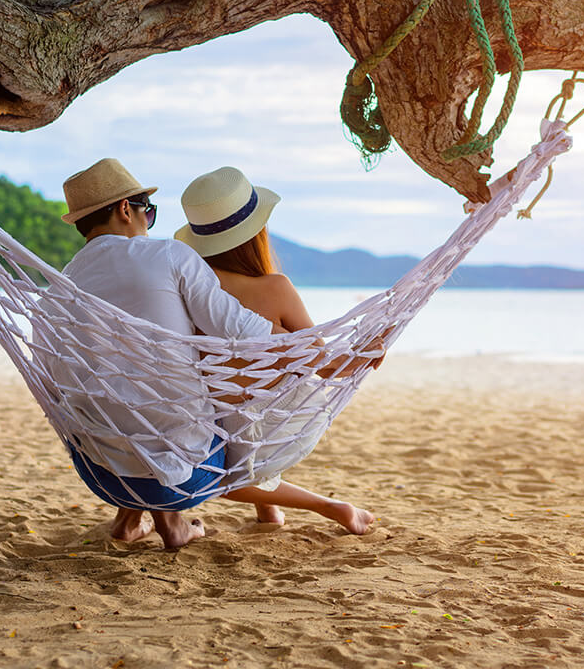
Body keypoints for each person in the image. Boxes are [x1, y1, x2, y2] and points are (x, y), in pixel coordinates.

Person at [57, 159, 371, 548]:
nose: (147, 223)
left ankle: (159, 524)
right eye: (148, 213)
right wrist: (342, 361)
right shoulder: (169, 257)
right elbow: (250, 334)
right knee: (198, 427)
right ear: (126, 209)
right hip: (184, 479)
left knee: (133, 393)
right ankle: (182, 520)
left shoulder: (62, 284)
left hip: (100, 472)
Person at [175, 166, 381, 533]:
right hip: (280, 428)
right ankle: (331, 506)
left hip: (218, 430)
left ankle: (269, 511)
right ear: (256, 234)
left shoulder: (185, 293)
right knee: (282, 376)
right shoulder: (274, 289)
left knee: (252, 387)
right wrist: (367, 355)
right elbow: (328, 366)